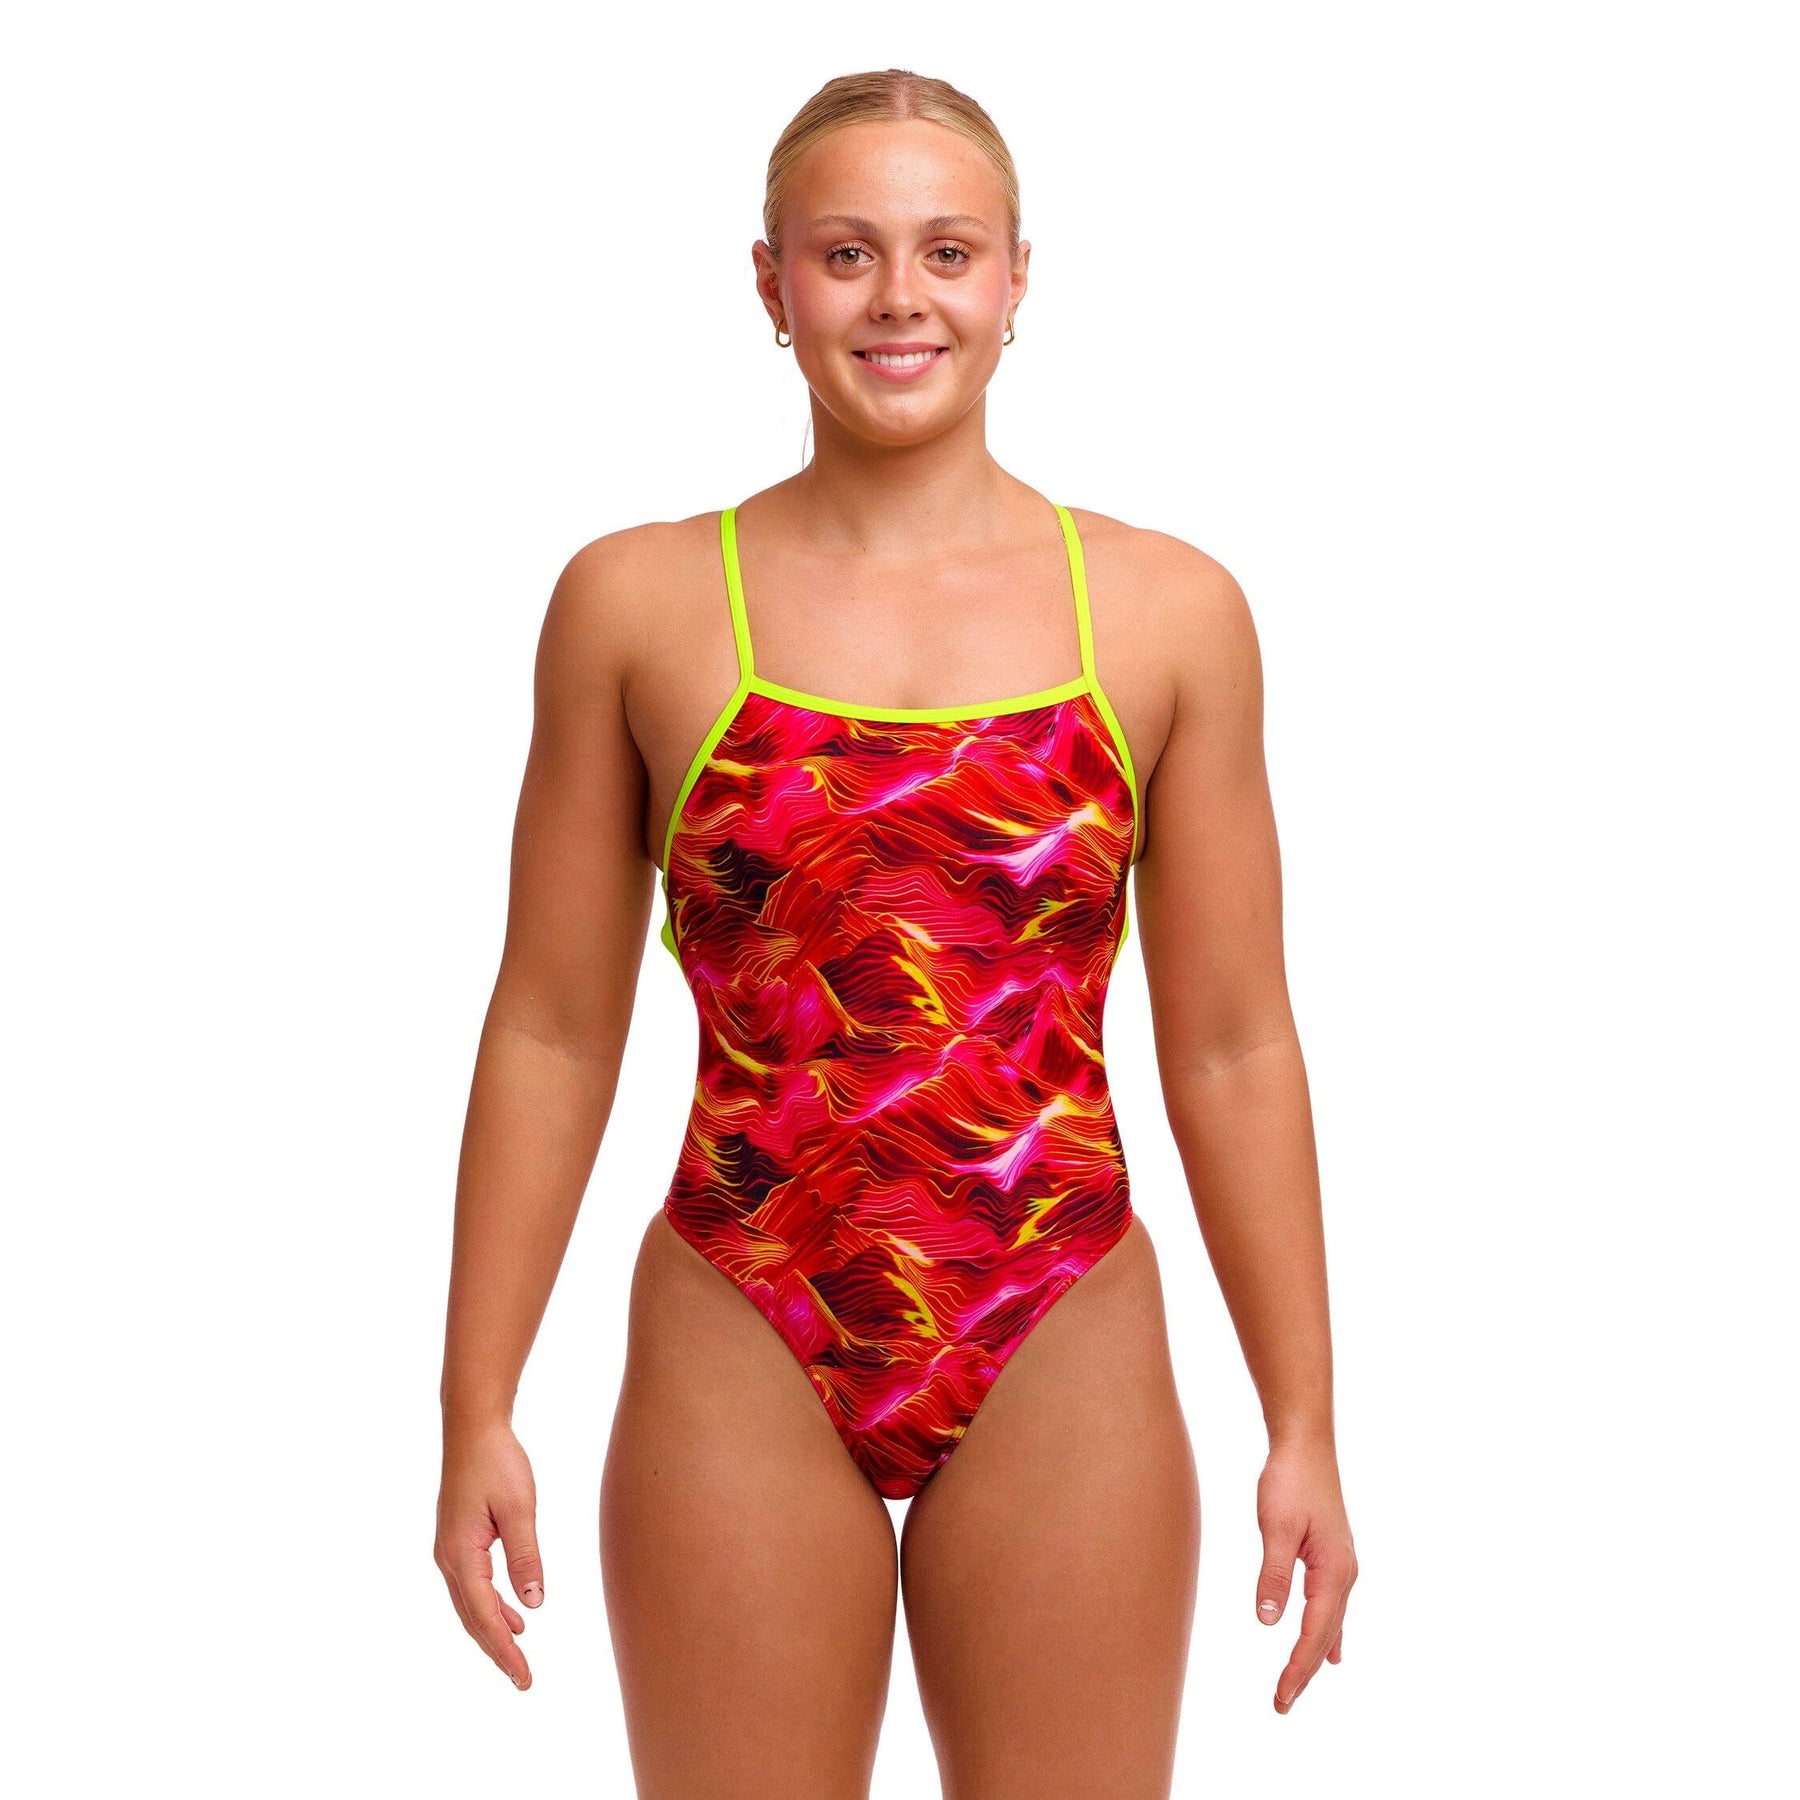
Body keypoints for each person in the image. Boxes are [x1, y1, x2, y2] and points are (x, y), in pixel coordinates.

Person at [435, 67, 1356, 1798]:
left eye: (948, 251)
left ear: (1018, 279)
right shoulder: (636, 604)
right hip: (744, 1303)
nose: (899, 298)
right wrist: (473, 1403)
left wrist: (1303, 1421)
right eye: (846, 252)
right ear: (770, 283)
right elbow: (551, 1024)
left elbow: (1235, 1043)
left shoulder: (1169, 614)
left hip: (1056, 1301)